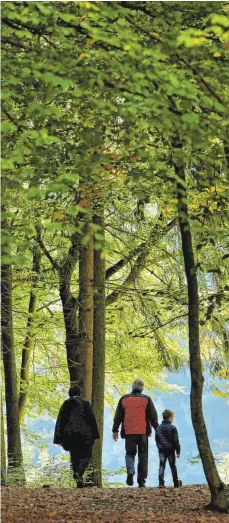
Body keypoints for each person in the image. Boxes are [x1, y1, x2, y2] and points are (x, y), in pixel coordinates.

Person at [112, 379, 158, 488]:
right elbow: (153, 416)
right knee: (143, 456)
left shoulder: (124, 399)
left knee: (129, 454)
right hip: (142, 433)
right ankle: (141, 482)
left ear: (133, 387)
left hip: (129, 432)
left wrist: (115, 430)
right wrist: (157, 430)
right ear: (142, 388)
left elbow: (118, 416)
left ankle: (131, 470)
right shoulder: (146, 399)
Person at [53, 386, 99, 488]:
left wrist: (58, 438)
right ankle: (79, 473)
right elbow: (92, 420)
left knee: (74, 456)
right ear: (79, 394)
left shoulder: (65, 404)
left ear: (69, 394)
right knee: (86, 455)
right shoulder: (85, 404)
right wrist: (95, 435)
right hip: (85, 435)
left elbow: (60, 421)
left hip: (70, 435)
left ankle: (77, 476)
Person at [155, 409, 182, 488]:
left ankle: (161, 483)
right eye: (172, 417)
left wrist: (159, 447)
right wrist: (178, 451)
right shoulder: (173, 428)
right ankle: (176, 483)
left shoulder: (158, 428)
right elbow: (176, 441)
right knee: (173, 466)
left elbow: (157, 440)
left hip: (161, 450)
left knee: (162, 465)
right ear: (170, 417)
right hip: (170, 450)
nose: (173, 419)